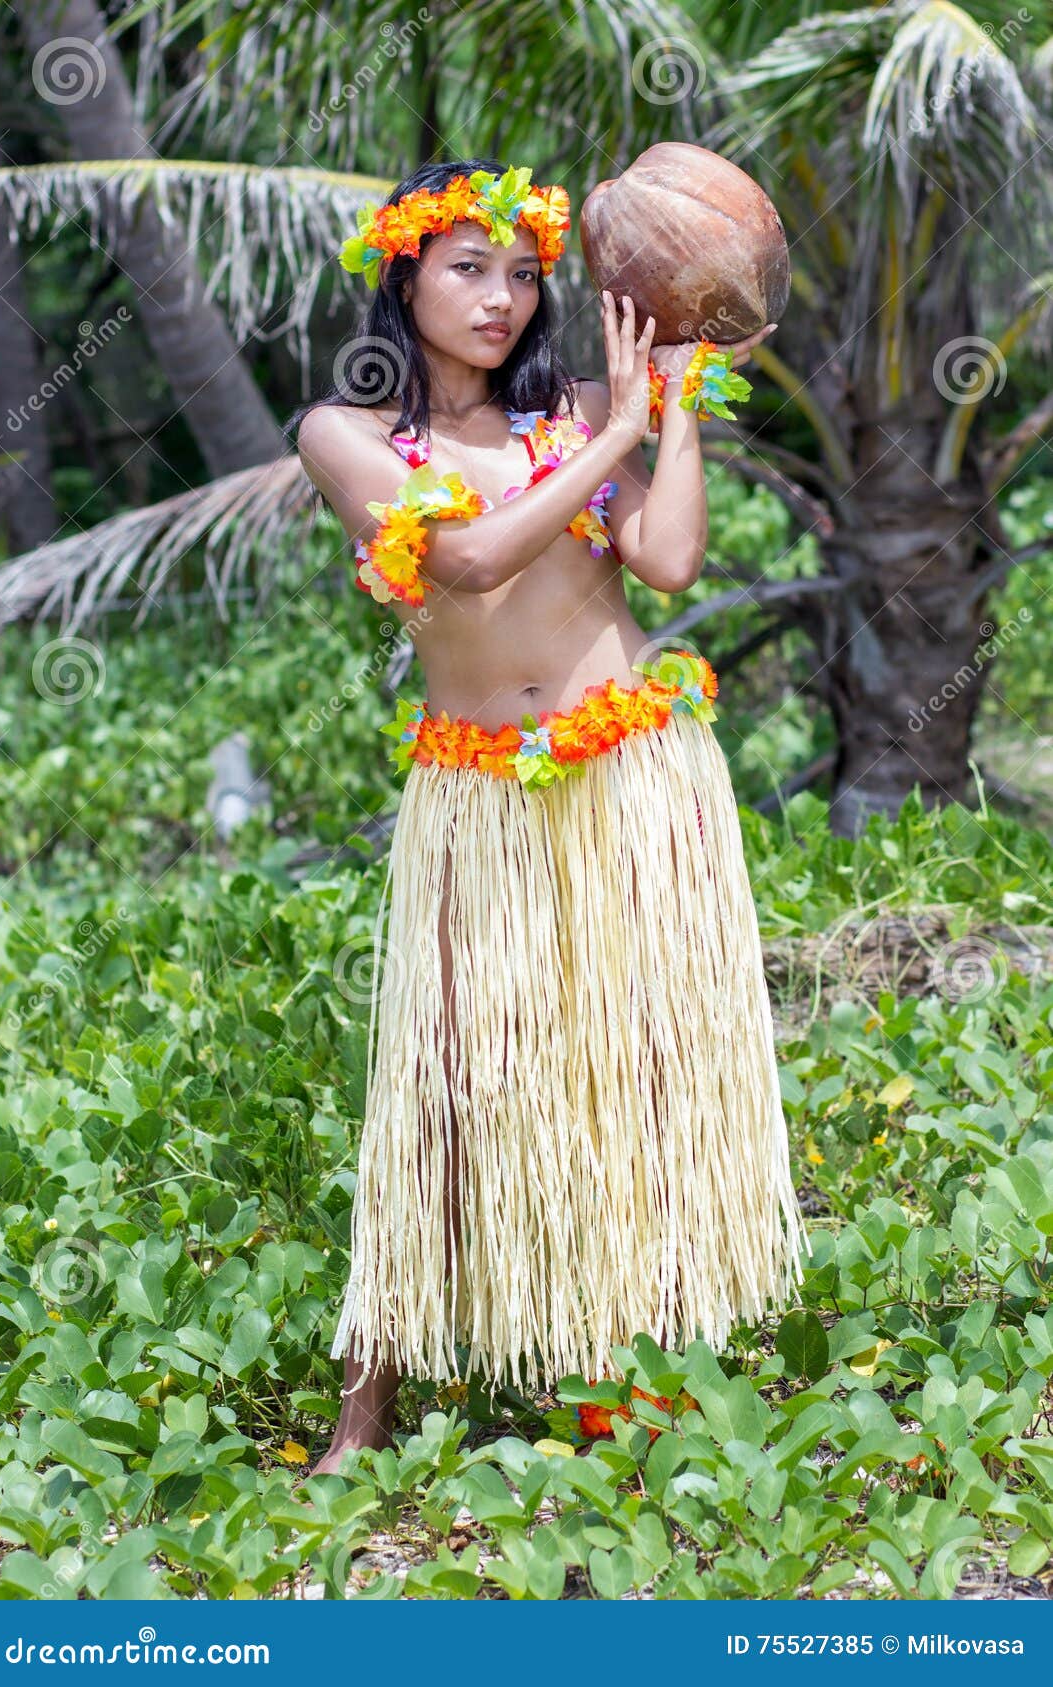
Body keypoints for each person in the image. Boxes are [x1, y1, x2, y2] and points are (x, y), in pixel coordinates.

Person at [290, 157, 803, 1473]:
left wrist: (670, 406)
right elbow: (466, 560)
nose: (502, 298)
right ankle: (365, 1407)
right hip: (475, 797)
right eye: (469, 268)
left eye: (523, 274)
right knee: (444, 1085)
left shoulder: (578, 409)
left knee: (633, 1073)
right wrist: (620, 432)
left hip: (632, 770)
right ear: (403, 273)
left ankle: (628, 1376)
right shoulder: (345, 436)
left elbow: (667, 561)